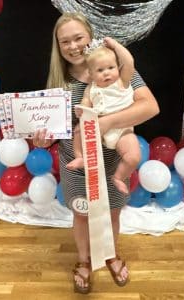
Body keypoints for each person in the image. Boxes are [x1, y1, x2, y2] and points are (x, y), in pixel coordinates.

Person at [33, 12, 159, 294]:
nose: (73, 46)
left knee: (112, 214)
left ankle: (111, 255)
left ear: (90, 37)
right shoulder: (59, 82)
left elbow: (151, 107)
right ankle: (83, 261)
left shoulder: (111, 67)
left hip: (113, 159)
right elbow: (55, 131)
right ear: (58, 47)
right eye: (65, 41)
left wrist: (103, 123)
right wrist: (42, 142)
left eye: (78, 38)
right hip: (77, 163)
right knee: (81, 214)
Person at [66, 37, 141, 195]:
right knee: (79, 130)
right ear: (91, 74)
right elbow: (85, 102)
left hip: (122, 131)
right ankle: (80, 156)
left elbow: (129, 61)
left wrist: (115, 45)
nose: (106, 73)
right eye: (100, 70)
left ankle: (119, 177)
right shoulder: (91, 88)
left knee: (133, 157)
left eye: (111, 67)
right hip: (98, 130)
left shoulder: (122, 82)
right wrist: (82, 109)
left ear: (118, 68)